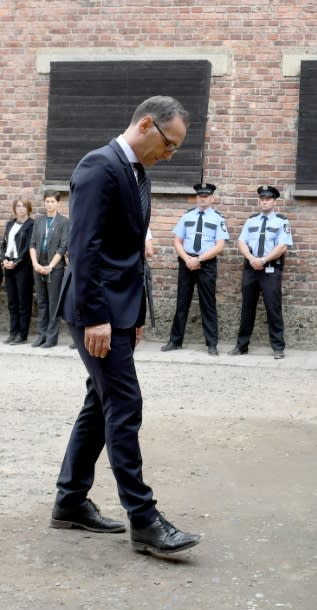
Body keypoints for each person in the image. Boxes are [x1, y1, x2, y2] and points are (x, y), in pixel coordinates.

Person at [50, 95, 202, 557]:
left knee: (100, 404)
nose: (170, 154)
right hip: (93, 311)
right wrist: (97, 316)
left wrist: (132, 316)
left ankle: (70, 502)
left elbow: (129, 252)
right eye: (169, 144)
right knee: (125, 402)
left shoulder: (138, 172)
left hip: (118, 310)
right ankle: (145, 520)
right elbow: (86, 247)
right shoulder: (99, 167)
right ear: (147, 124)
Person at [161, 181, 228, 356]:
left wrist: (199, 259)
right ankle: (175, 341)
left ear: (212, 198)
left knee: (208, 304)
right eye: (199, 196)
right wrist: (188, 259)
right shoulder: (187, 216)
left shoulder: (218, 218)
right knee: (182, 302)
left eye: (205, 196)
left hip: (206, 264)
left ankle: (212, 344)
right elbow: (177, 241)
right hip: (186, 262)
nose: (202, 199)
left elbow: (220, 245)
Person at [228, 185, 293, 359]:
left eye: (268, 199)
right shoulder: (251, 221)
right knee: (247, 308)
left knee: (273, 308)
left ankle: (278, 347)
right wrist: (251, 259)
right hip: (251, 268)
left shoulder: (282, 221)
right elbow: (241, 242)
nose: (265, 202)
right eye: (262, 199)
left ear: (274, 201)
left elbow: (282, 246)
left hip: (271, 269)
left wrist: (263, 260)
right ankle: (242, 346)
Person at [29, 190, 69, 348]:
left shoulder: (64, 222)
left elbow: (63, 246)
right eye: (47, 201)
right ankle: (41, 335)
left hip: (55, 266)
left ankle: (51, 338)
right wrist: (35, 264)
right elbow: (32, 244)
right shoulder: (38, 221)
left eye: (53, 201)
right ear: (44, 202)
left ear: (58, 203)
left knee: (53, 303)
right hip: (38, 264)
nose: (50, 204)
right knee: (42, 302)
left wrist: (51, 266)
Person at [1, 197, 35, 345]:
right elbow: (3, 245)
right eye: (18, 206)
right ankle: (13, 332)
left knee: (23, 302)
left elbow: (28, 247)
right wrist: (3, 260)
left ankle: (22, 334)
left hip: (23, 268)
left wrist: (16, 262)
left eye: (23, 206)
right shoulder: (10, 224)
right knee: (12, 302)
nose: (20, 208)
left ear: (28, 208)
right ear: (15, 208)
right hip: (8, 266)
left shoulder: (31, 225)